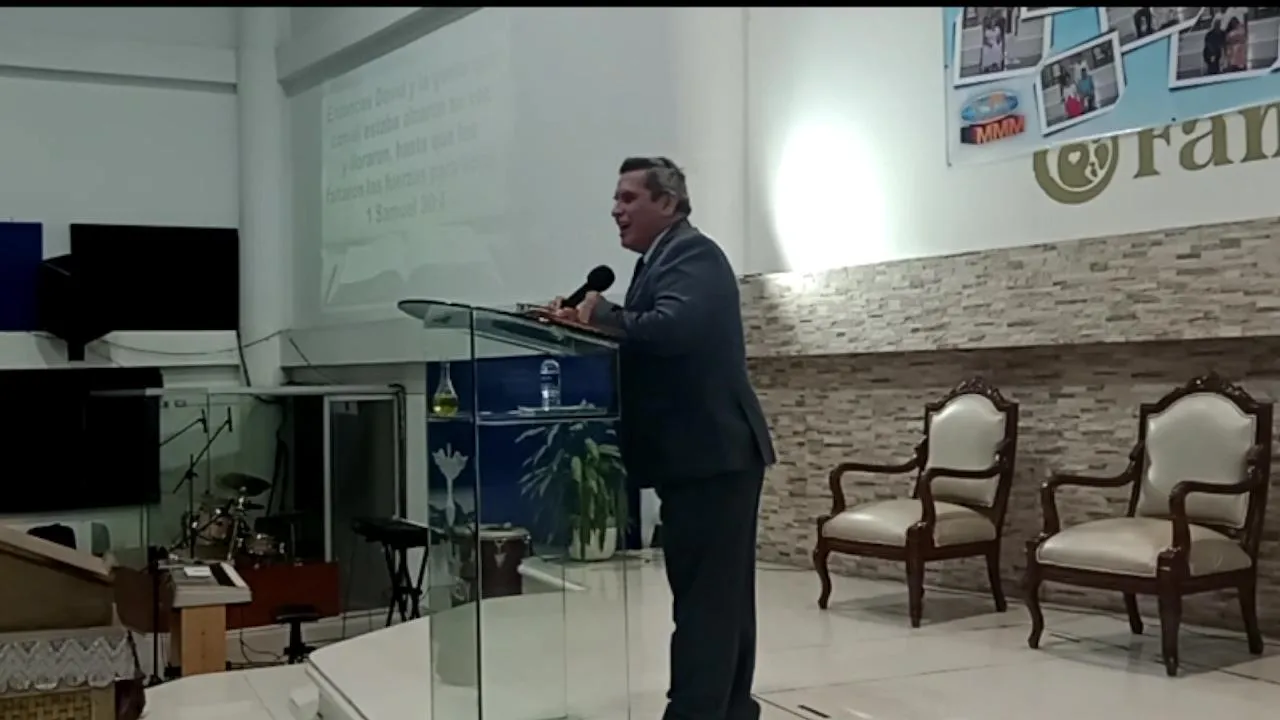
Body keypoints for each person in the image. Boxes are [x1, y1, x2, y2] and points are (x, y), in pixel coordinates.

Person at [554, 156, 775, 720]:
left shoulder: (692, 253)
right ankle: (731, 710)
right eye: (616, 198)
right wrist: (584, 324)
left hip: (713, 455)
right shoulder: (658, 260)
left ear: (668, 203)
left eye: (629, 198)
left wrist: (604, 315)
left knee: (706, 603)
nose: (616, 210)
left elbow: (674, 328)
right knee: (717, 599)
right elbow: (652, 339)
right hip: (702, 457)